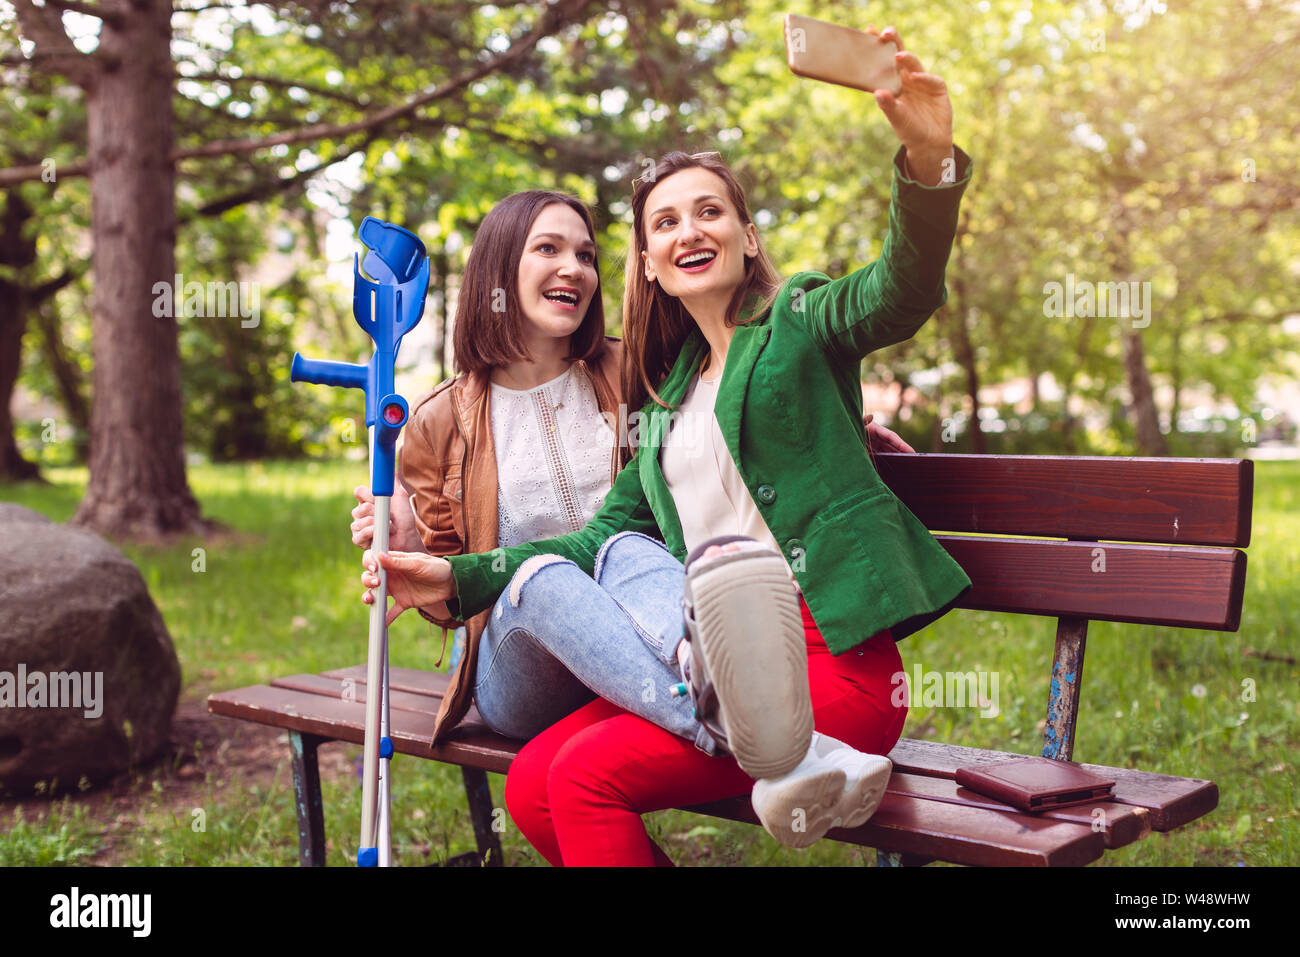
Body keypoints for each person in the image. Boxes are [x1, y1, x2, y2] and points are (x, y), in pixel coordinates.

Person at [361, 24, 971, 865]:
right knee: (534, 780)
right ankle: (740, 722)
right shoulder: (663, 400)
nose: (691, 230)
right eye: (667, 221)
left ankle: (773, 731)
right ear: (648, 261)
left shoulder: (798, 319)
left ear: (747, 237)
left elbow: (899, 290)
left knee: (581, 781)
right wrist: (457, 576)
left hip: (827, 663)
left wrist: (929, 161)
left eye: (711, 212)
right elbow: (593, 541)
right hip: (715, 669)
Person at [350, 191, 912, 748]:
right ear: (499, 268)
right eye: (548, 249)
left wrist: (834, 426)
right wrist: (411, 541)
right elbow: (449, 597)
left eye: (587, 256)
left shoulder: (633, 373)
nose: (573, 268)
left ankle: (725, 698)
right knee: (544, 577)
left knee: (622, 546)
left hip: (646, 639)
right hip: (524, 672)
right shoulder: (440, 418)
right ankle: (755, 738)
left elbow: (725, 415)